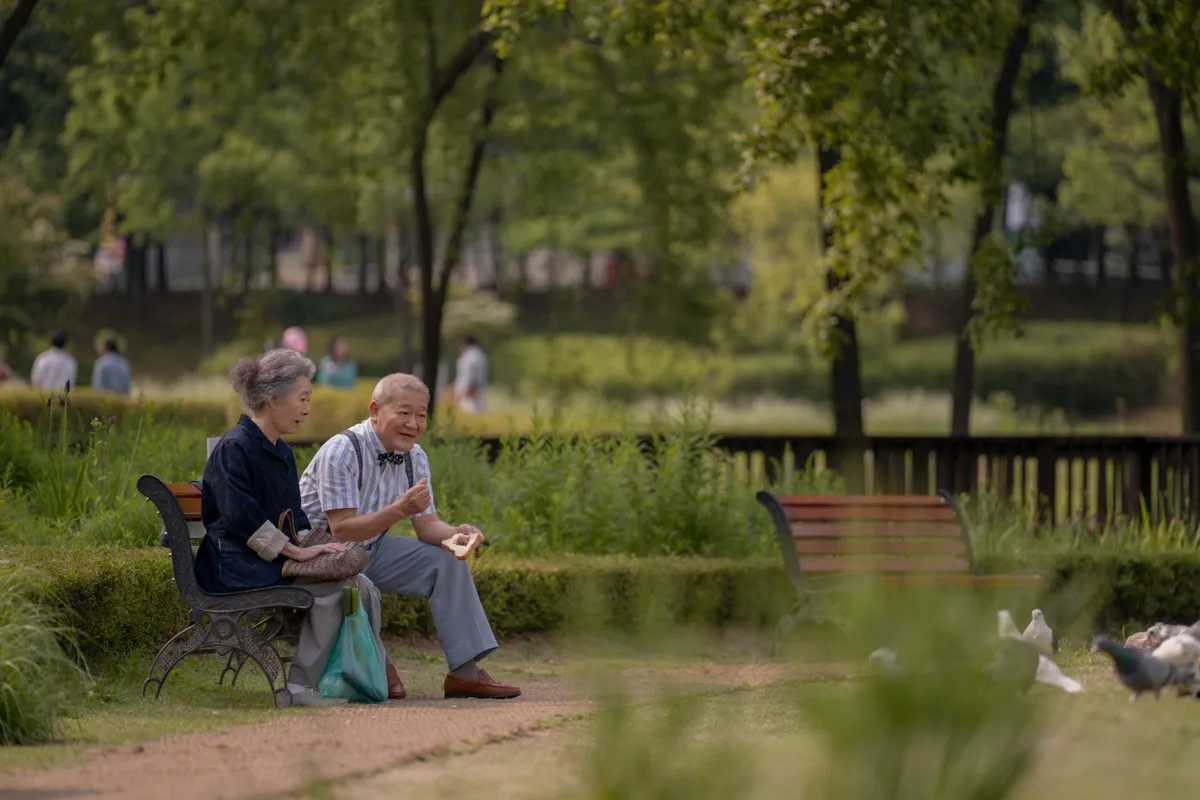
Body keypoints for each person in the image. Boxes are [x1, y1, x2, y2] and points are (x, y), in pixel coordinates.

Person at [299, 373, 521, 700]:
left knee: (447, 560)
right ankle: (376, 663)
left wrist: (457, 534)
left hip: (370, 549)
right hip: (322, 555)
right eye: (404, 413)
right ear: (375, 410)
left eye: (421, 414)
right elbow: (342, 528)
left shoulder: (415, 457)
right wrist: (400, 509)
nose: (413, 423)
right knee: (390, 690)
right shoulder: (343, 450)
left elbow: (427, 526)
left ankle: (465, 673)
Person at [195, 348, 396, 707]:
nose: (307, 408)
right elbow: (242, 519)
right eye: (303, 398)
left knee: (360, 585)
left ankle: (361, 676)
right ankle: (301, 687)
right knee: (329, 594)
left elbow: (297, 519)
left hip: (266, 562)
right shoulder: (234, 448)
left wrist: (320, 549)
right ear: (273, 399)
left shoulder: (281, 452)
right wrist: (298, 553)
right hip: (234, 565)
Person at [451, 334, 488, 414]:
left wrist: (472, 387)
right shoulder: (474, 354)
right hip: (467, 389)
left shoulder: (473, 355)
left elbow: (472, 373)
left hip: (470, 391)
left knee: (470, 412)